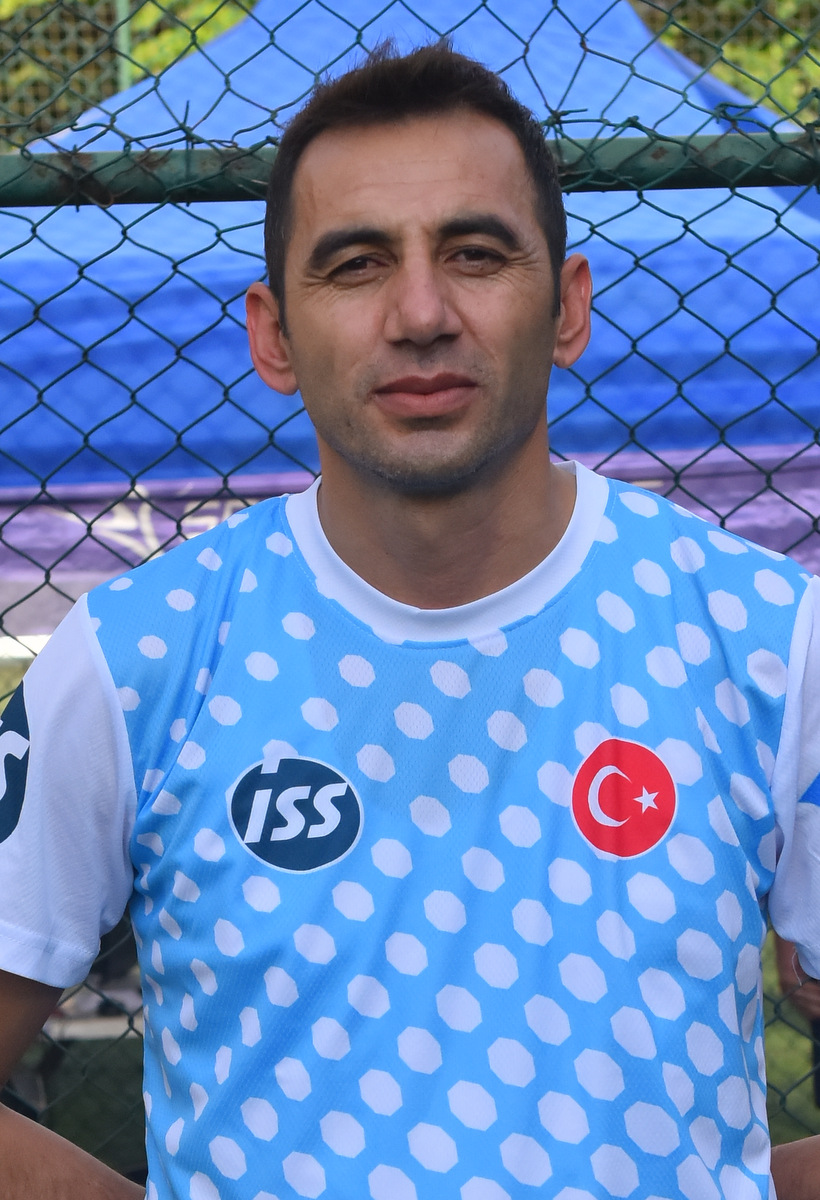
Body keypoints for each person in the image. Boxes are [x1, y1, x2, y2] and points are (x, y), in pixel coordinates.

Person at [1, 41, 819, 1200]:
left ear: (568, 307)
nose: (422, 312)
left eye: (475, 254)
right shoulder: (136, 655)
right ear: (273, 336)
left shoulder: (772, 640)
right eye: (355, 265)